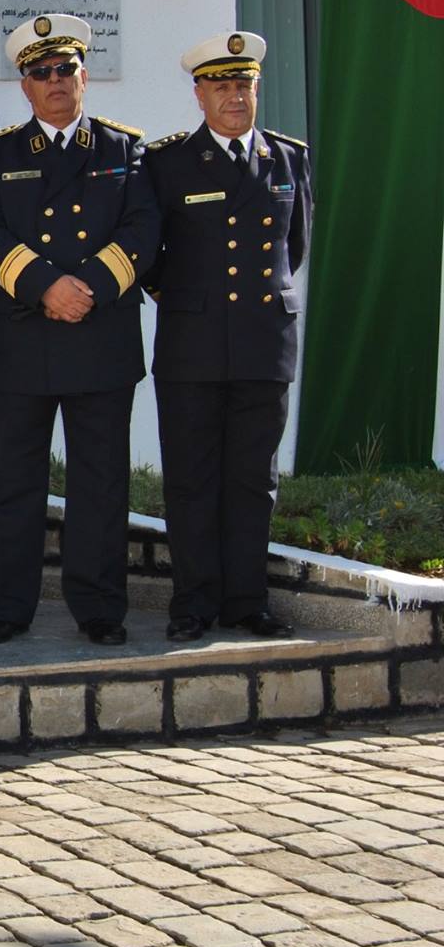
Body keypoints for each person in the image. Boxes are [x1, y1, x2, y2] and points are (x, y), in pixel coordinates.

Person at [0, 14, 159, 645]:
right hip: (23, 339)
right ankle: (7, 609)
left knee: (99, 483)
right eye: (40, 72)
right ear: (25, 85)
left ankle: (100, 608)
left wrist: (87, 289)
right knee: (12, 484)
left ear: (84, 77)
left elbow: (143, 229)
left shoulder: (124, 150)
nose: (55, 80)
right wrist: (46, 286)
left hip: (100, 338)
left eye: (65, 69)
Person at [145, 31, 311, 642]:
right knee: (191, 479)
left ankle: (247, 601)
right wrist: (191, 299)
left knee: (253, 481)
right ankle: (193, 603)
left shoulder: (288, 158)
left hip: (264, 342)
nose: (234, 96)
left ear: (256, 90)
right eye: (221, 86)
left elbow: (294, 247)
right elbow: (150, 255)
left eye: (244, 84)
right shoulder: (168, 162)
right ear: (199, 94)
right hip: (193, 343)